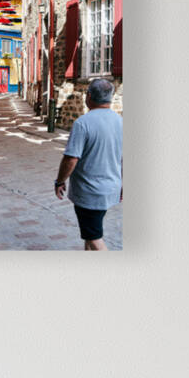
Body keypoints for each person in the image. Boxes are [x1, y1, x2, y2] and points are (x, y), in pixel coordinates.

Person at [54, 78, 123, 250]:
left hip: (90, 192)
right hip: (110, 188)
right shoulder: (120, 122)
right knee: (90, 233)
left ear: (89, 96)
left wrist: (60, 181)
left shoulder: (83, 123)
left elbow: (71, 159)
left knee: (94, 237)